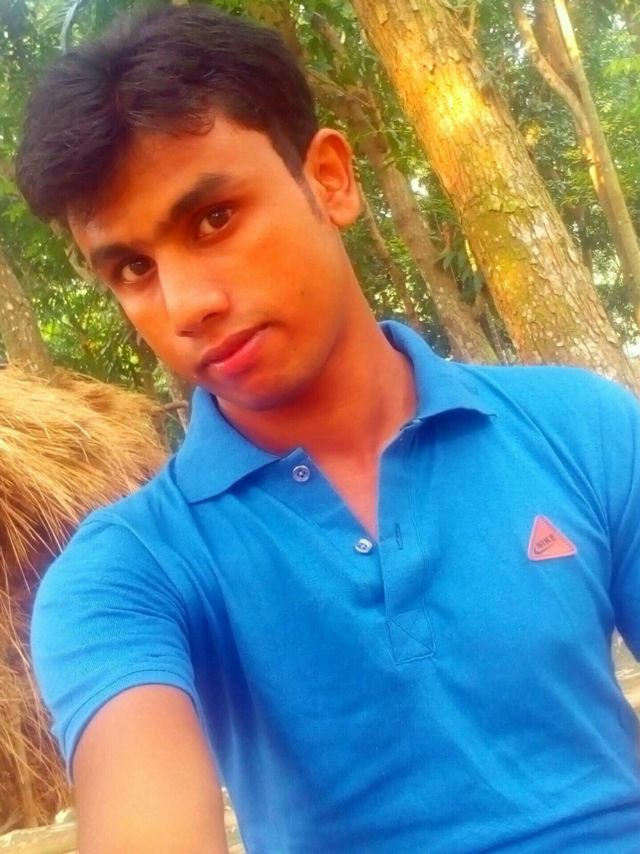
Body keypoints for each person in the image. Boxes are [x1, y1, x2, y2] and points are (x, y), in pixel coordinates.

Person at [17, 5, 640, 853]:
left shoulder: (581, 428)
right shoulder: (128, 574)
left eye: (214, 219)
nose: (187, 304)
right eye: (133, 268)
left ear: (331, 180)